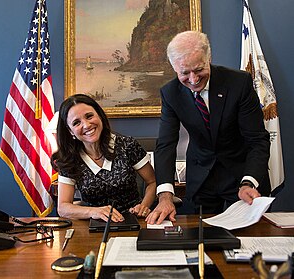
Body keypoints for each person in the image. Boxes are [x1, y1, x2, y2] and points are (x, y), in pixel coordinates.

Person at [146, 30, 271, 225]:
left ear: (209, 58)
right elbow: (166, 145)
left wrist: (249, 182)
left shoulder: (238, 83)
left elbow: (257, 139)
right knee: (196, 232)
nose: (194, 79)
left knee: (247, 236)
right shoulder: (170, 93)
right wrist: (165, 196)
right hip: (201, 175)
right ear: (174, 68)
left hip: (241, 171)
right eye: (185, 73)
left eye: (198, 69)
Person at [51, 94, 156, 222]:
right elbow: (63, 208)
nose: (86, 125)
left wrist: (144, 206)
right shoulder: (69, 158)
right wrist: (94, 211)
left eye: (89, 116)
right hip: (94, 225)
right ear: (71, 131)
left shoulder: (127, 145)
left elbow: (152, 182)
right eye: (76, 123)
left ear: (99, 116)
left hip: (133, 220)